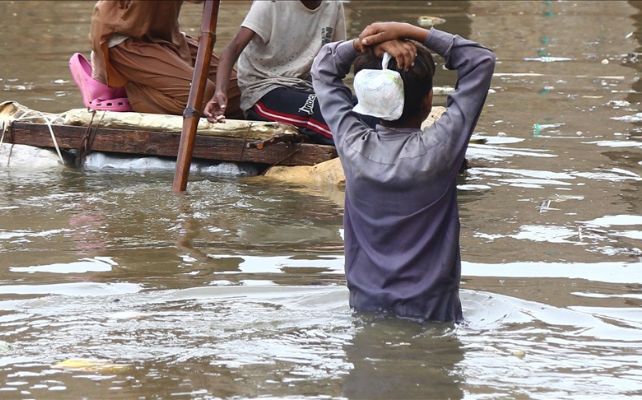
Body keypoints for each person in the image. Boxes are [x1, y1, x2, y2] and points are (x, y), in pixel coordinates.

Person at [311, 22, 496, 322]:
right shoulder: (440, 150)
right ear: (427, 102)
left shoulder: (353, 146)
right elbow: (480, 60)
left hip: (365, 309)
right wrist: (414, 31)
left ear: (368, 102)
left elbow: (323, 67)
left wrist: (363, 44)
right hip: (434, 314)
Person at [203, 0, 346, 145]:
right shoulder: (270, 3)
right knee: (321, 109)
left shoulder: (333, 5)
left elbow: (335, 60)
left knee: (352, 103)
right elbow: (232, 50)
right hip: (264, 89)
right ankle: (358, 147)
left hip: (306, 88)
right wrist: (220, 92)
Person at [87, 0, 242, 117]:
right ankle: (132, 89)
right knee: (201, 96)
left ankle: (150, 83)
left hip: (166, 38)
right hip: (124, 41)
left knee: (238, 90)